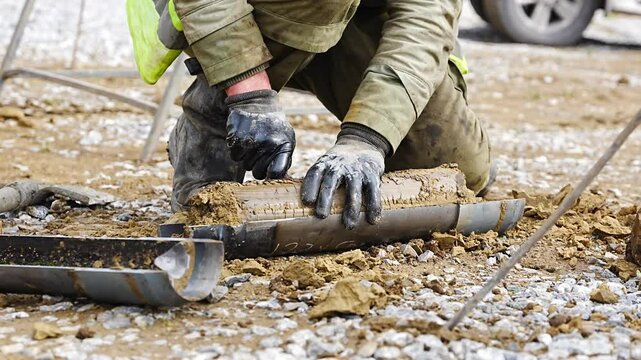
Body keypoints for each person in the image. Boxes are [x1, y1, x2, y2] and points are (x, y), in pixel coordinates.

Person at [150, 0, 491, 230]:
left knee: (456, 169)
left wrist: (367, 139)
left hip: (358, 23)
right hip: (252, 15)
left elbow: (423, 21)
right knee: (203, 213)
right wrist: (249, 95)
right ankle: (210, 119)